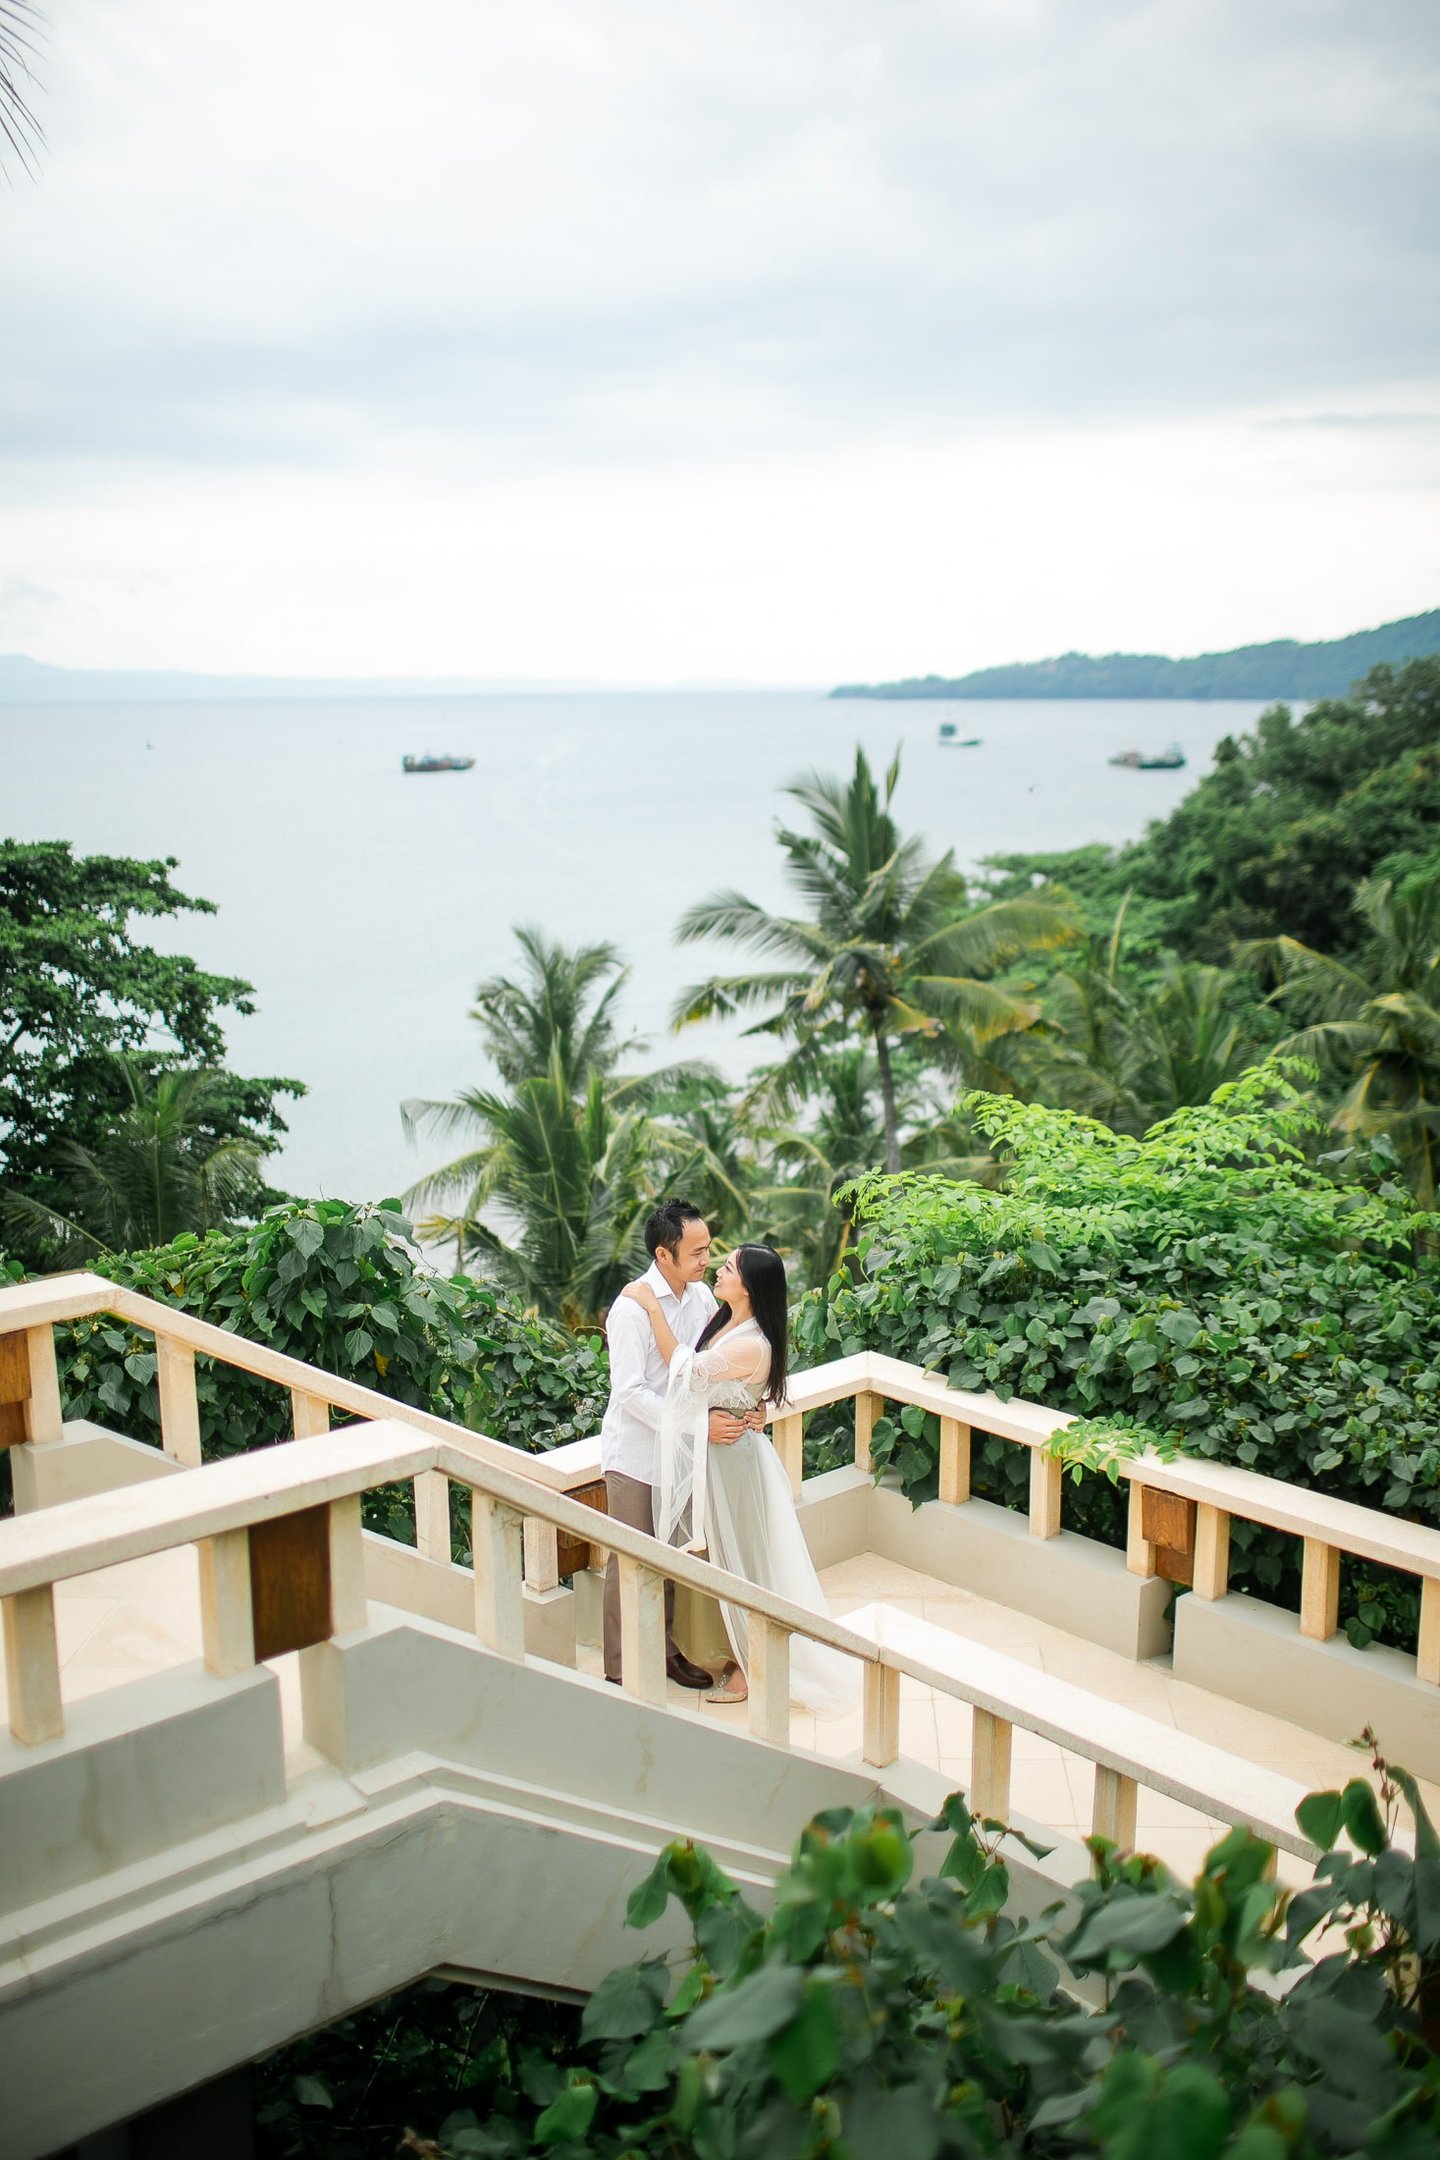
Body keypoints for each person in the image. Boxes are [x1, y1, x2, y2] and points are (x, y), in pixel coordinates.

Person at [620, 1242, 854, 1712]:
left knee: (746, 1562)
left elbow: (683, 1369)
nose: (718, 1269)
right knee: (722, 1559)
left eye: (727, 1267)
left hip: (735, 1464)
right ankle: (734, 1650)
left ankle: (753, 1663)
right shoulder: (727, 1321)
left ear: (748, 1286)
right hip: (719, 1457)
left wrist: (650, 1305)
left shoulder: (750, 1342)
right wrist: (750, 1406)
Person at [599, 1199, 762, 1689]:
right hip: (636, 1456)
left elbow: (712, 1367)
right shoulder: (632, 1307)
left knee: (672, 1555)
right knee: (630, 1560)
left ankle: (667, 1651)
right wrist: (695, 1424)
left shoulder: (701, 1299)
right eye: (695, 1252)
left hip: (684, 1455)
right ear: (663, 1255)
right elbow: (629, 1392)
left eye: (709, 1249)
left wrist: (746, 1405)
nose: (706, 1260)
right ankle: (622, 1670)